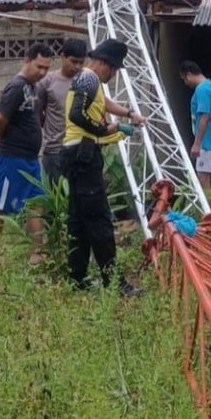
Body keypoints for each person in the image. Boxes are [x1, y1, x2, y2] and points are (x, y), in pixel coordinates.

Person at [60, 38, 147, 295]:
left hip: (74, 154)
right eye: (115, 68)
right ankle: (115, 284)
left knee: (79, 221)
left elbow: (103, 103)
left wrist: (128, 114)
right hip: (84, 154)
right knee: (99, 221)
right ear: (104, 63)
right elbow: (77, 114)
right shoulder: (88, 78)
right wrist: (104, 128)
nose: (115, 73)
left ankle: (77, 279)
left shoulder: (89, 81)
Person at [0, 43, 53, 265]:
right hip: (12, 156)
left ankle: (37, 252)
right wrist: (1, 135)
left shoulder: (33, 87)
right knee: (2, 204)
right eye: (39, 66)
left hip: (30, 159)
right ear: (27, 60)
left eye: (46, 68)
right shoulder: (16, 86)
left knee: (37, 202)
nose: (42, 72)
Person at [35, 38, 87, 185]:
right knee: (55, 202)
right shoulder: (47, 82)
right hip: (55, 150)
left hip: (80, 149)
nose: (77, 66)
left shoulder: (85, 80)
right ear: (62, 56)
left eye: (81, 62)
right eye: (73, 61)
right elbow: (38, 112)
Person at [179, 60, 211, 192]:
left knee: (203, 181)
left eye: (184, 79)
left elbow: (204, 117)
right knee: (208, 180)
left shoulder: (202, 89)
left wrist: (197, 143)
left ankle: (206, 212)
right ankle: (210, 211)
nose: (185, 83)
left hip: (208, 142)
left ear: (188, 75)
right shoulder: (210, 86)